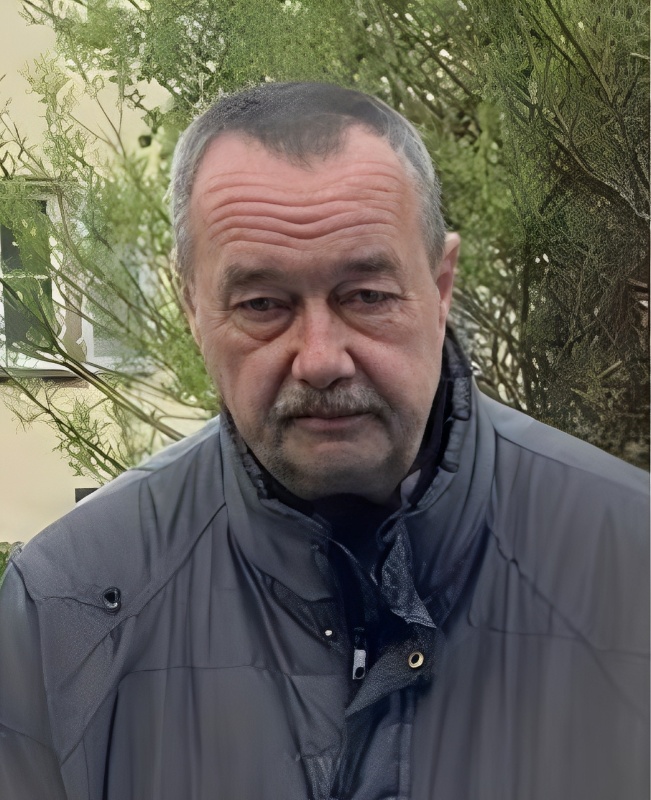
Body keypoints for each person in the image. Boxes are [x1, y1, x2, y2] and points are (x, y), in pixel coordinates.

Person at [0, 82, 648, 800]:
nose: (319, 358)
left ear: (441, 287)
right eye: (262, 305)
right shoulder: (65, 611)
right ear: (192, 308)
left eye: (366, 296)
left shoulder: (630, 562)